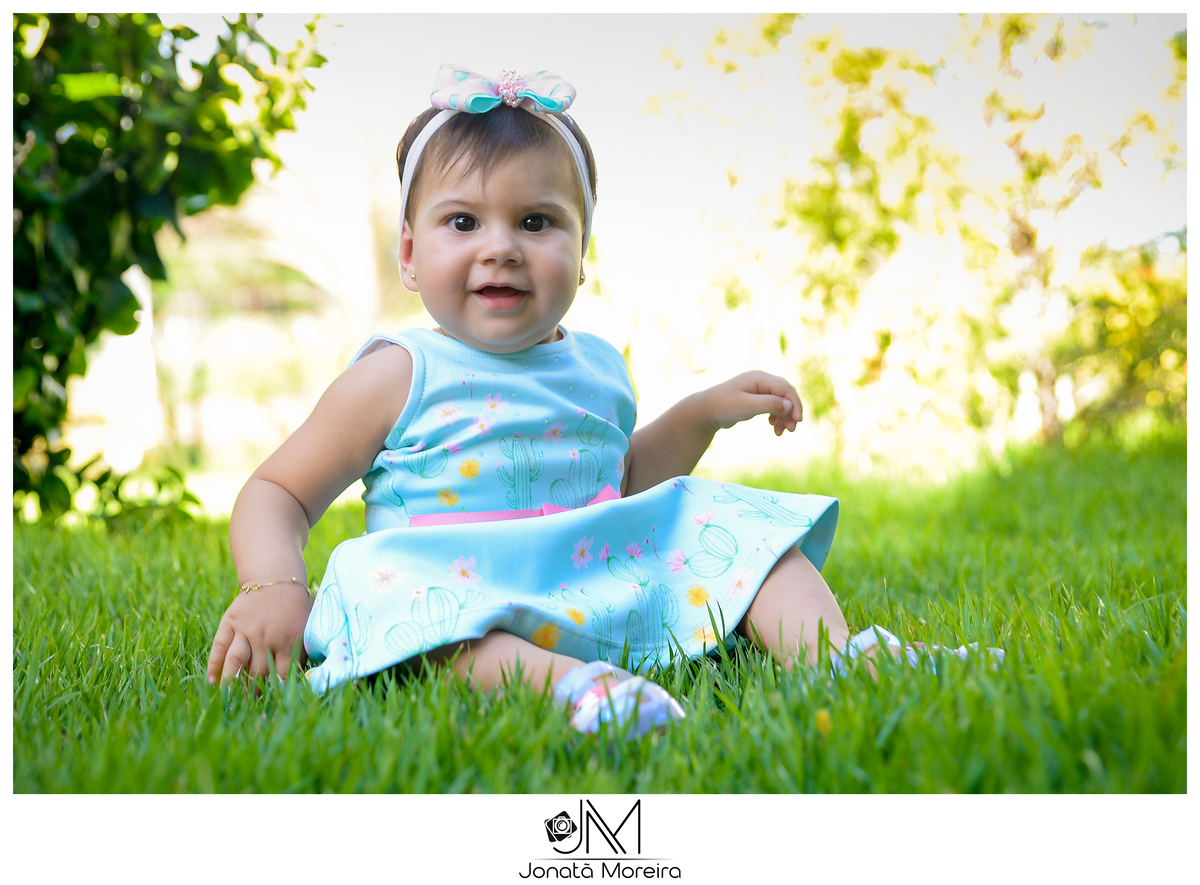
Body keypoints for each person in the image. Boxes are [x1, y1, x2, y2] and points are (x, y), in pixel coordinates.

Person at [207, 65, 998, 738]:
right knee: (387, 594)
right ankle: (575, 689)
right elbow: (278, 491)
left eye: (536, 221)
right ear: (410, 255)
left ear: (581, 252)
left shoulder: (598, 366)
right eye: (463, 221)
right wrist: (274, 585)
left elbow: (620, 482)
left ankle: (839, 656)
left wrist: (699, 413)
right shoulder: (398, 372)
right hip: (457, 592)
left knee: (726, 521)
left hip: (590, 580)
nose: (500, 247)